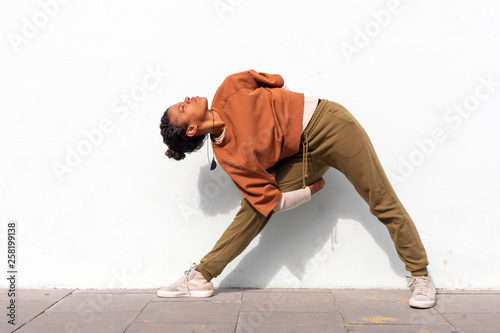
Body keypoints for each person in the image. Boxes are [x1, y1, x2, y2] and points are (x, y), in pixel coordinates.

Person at [158, 69, 436, 308]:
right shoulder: (228, 156)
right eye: (182, 108)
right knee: (254, 208)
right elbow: (272, 201)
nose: (186, 100)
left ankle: (420, 275)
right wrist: (309, 191)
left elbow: (276, 82)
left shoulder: (230, 87)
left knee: (380, 199)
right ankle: (200, 276)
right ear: (192, 129)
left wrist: (287, 115)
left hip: (330, 125)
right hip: (302, 157)